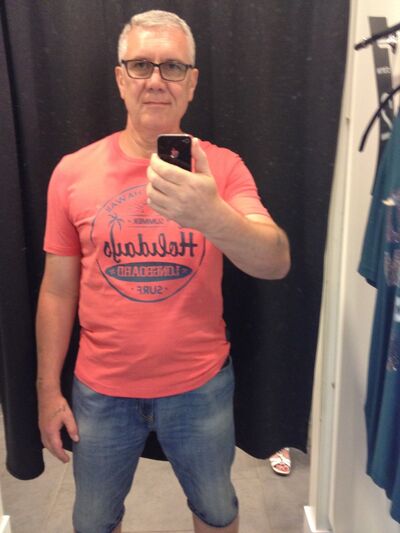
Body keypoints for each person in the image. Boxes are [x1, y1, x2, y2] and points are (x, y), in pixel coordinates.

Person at [36, 10, 290, 533]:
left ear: (192, 83)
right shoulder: (72, 172)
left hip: (200, 386)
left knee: (216, 512)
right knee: (94, 521)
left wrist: (212, 215)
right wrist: (46, 389)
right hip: (101, 390)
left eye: (173, 67)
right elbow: (58, 291)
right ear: (120, 78)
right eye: (141, 65)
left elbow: (275, 261)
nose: (155, 80)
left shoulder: (222, 168)